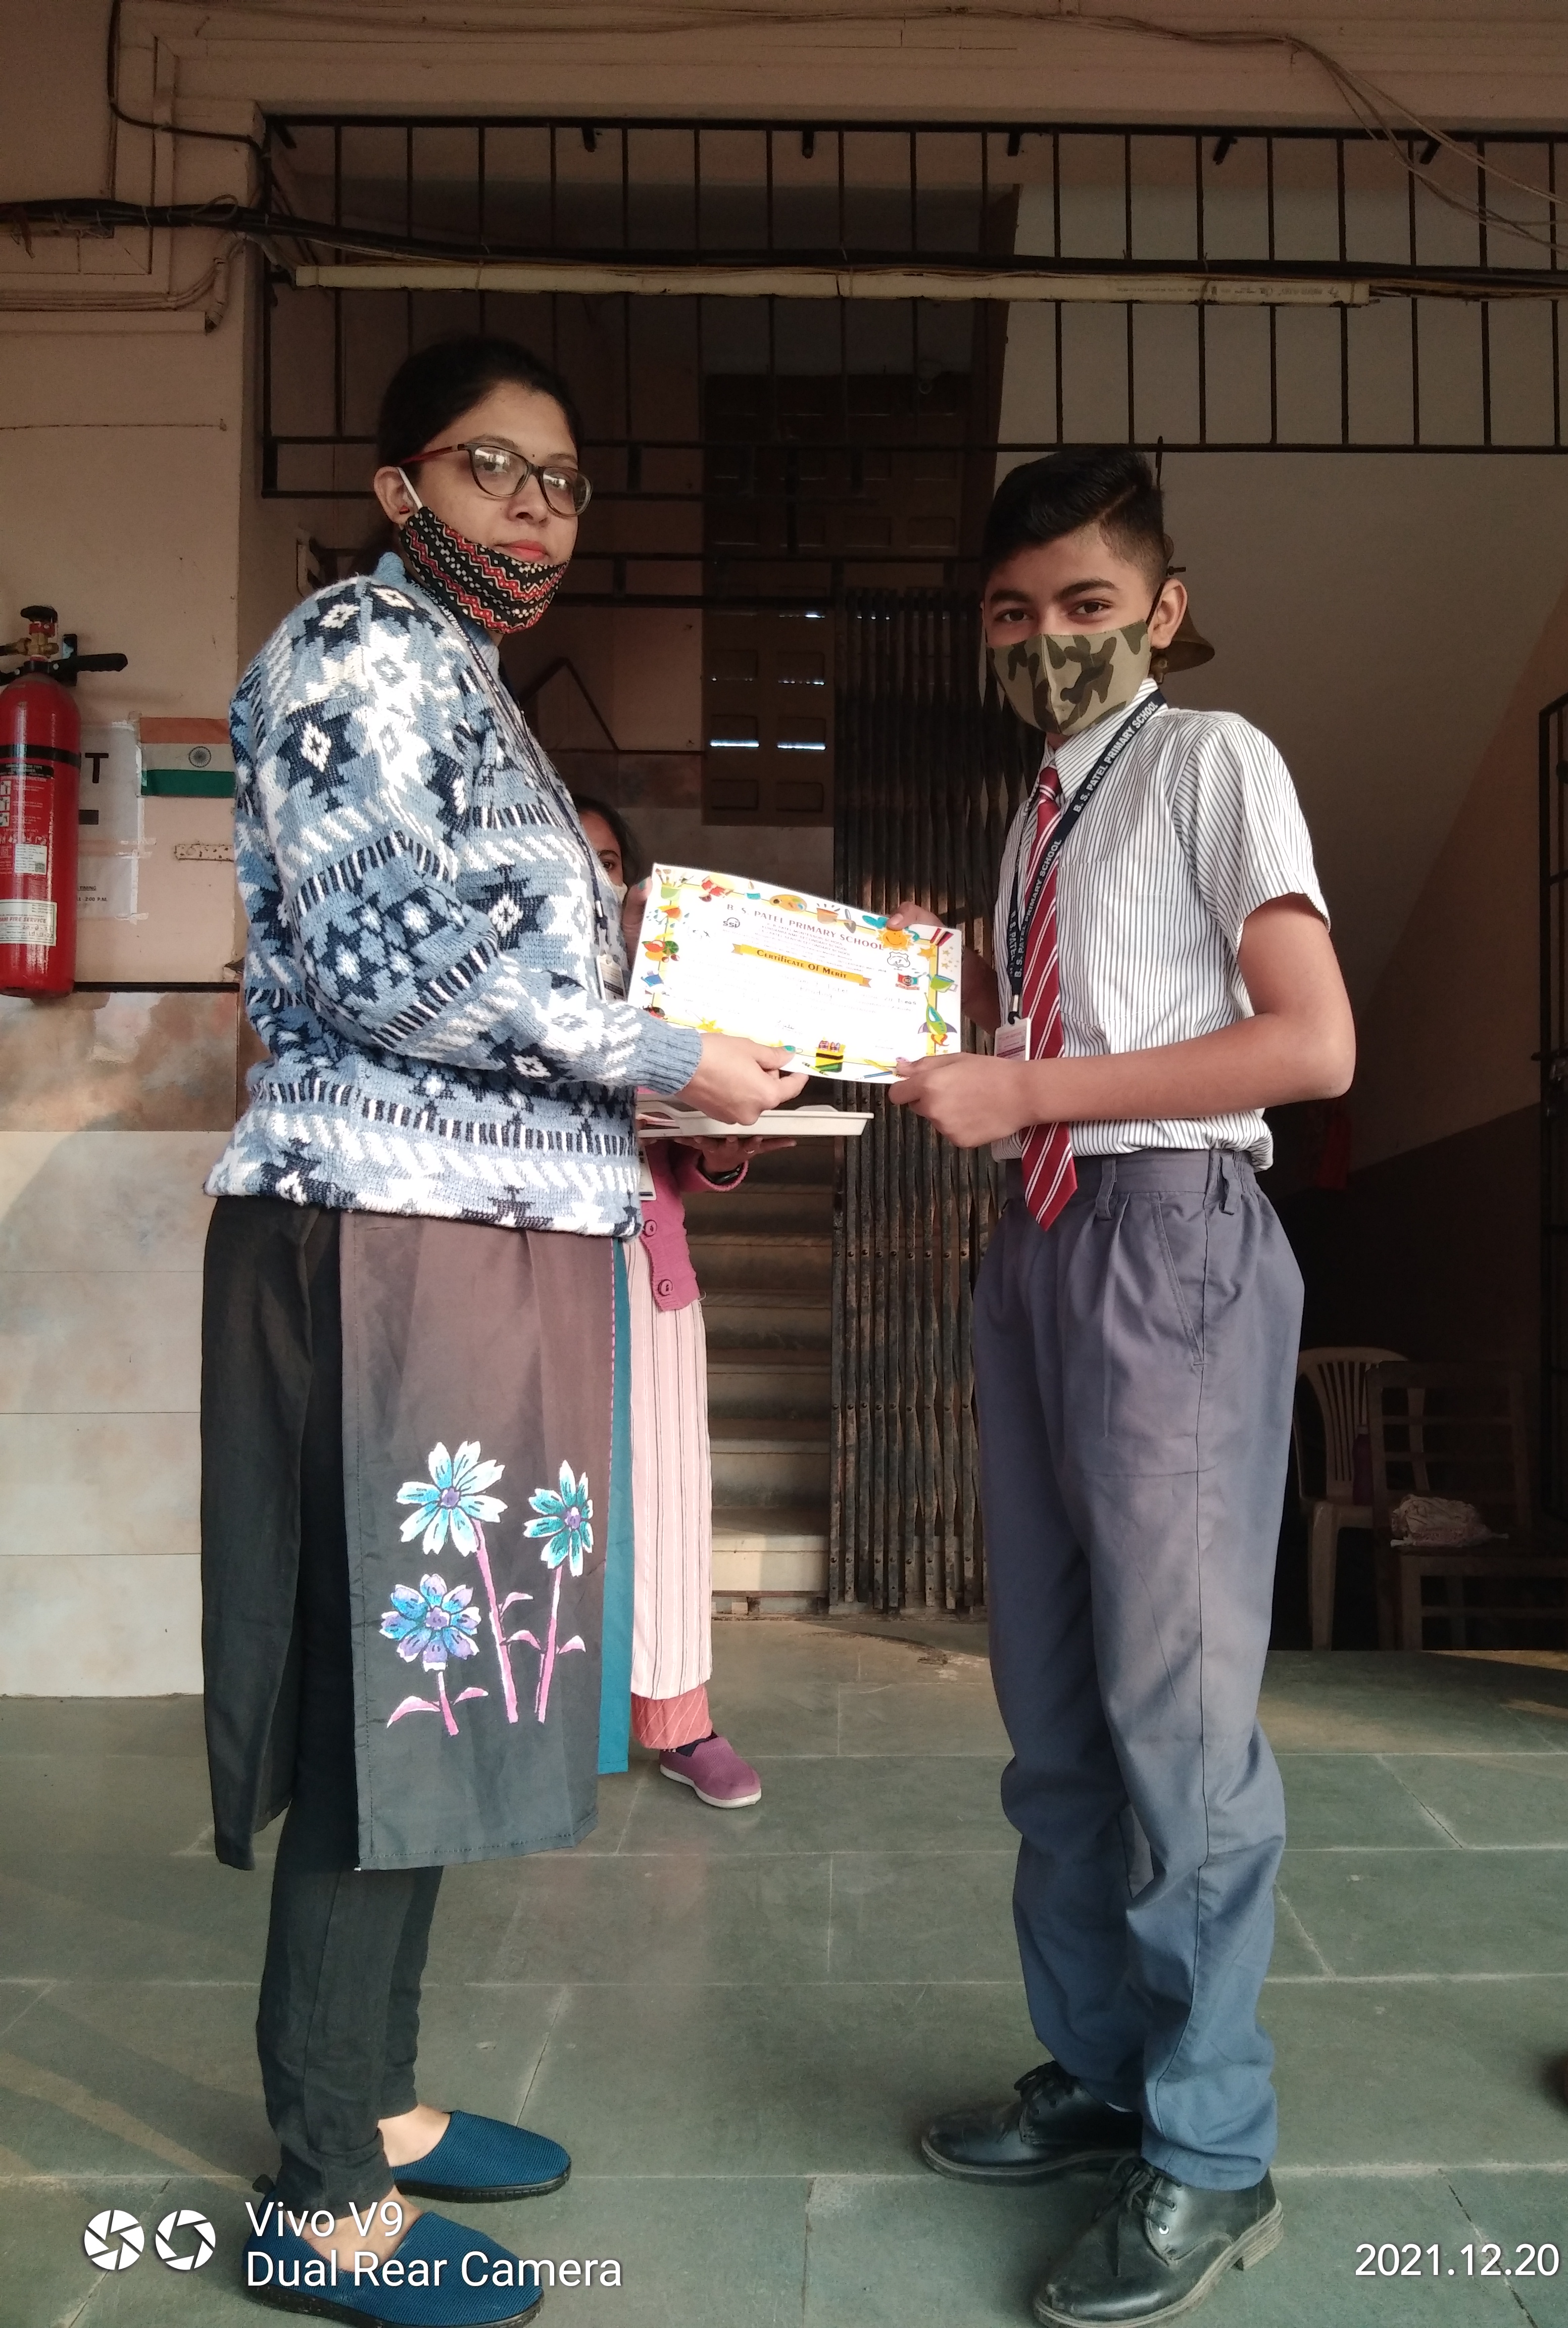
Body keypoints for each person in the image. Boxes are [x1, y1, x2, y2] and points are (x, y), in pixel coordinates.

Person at [202, 333, 802, 2324]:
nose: (533, 511)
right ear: (399, 488)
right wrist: (664, 1048)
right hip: (391, 1233)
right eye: (490, 468)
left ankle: (372, 2098)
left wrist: (663, 1091)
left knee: (441, 1689)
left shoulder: (461, 683)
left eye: (559, 481)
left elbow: (508, 994)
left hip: (482, 1229)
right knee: (388, 1696)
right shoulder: (362, 652)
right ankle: (319, 2191)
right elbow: (392, 961)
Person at [890, 448, 1354, 2328]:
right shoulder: (1038, 814)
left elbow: (1310, 1042)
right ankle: (1099, 2066)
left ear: (1161, 609)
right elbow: (1068, 1034)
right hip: (1042, 1244)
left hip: (1168, 1240)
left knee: (1178, 1721)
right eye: (1013, 613)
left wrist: (1030, 1089)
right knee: (1055, 1708)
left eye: (1085, 605)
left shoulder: (1209, 760)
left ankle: (1213, 2147)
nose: (1047, 640)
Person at [570, 797, 770, 1808]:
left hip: (647, 1278)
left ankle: (681, 1722)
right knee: (542, 1501)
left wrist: (725, 1142)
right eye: (579, 859)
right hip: (534, 1277)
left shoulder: (667, 1000)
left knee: (667, 1503)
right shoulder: (518, 992)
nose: (598, 879)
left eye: (612, 862)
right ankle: (543, 1713)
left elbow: (698, 1163)